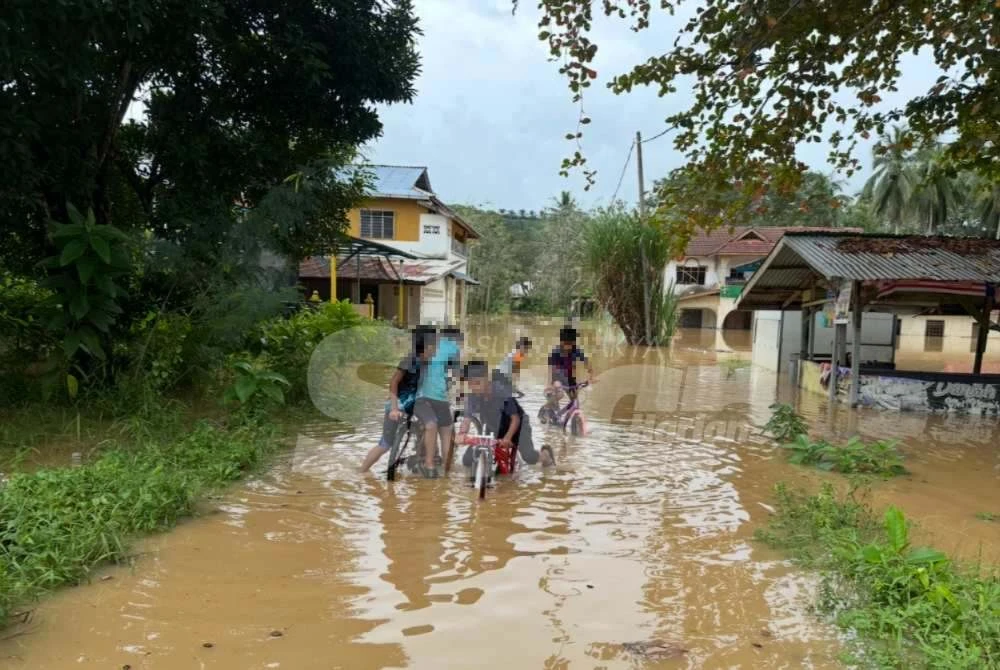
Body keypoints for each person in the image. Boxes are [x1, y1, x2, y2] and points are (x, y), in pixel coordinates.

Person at [360, 326, 436, 472]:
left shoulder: (430, 362)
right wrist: (394, 408)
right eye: (434, 345)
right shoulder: (409, 361)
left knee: (431, 425)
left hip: (416, 403)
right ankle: (362, 471)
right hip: (399, 403)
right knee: (385, 444)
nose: (435, 349)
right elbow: (393, 382)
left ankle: (426, 460)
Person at [457, 361, 554, 472]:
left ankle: (545, 454)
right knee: (467, 460)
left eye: (477, 383)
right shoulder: (472, 396)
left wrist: (507, 438)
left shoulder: (501, 392)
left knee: (529, 457)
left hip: (518, 427)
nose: (474, 388)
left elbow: (515, 419)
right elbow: (467, 419)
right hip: (493, 427)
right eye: (470, 384)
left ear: (487, 379)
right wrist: (462, 433)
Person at [412, 326, 462, 478]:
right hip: (439, 395)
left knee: (426, 424)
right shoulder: (453, 348)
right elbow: (456, 372)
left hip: (419, 396)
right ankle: (448, 471)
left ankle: (424, 458)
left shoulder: (422, 346)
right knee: (446, 432)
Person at [546, 326, 594, 400]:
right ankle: (552, 402)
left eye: (570, 344)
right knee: (559, 394)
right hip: (557, 379)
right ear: (561, 342)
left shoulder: (576, 351)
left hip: (570, 379)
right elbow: (550, 370)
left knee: (574, 398)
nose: (568, 347)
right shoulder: (555, 353)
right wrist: (549, 384)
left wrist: (590, 376)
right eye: (566, 343)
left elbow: (586, 362)